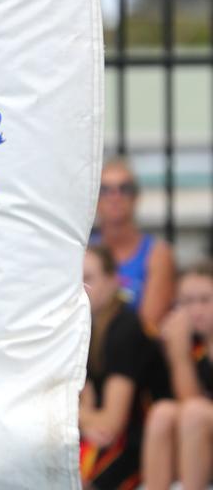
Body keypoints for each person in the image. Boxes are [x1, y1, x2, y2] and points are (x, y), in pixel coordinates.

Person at [79, 244, 160, 490]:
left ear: (113, 281)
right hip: (107, 437)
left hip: (141, 444)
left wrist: (76, 413)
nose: (80, 288)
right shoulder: (87, 325)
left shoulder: (124, 328)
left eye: (88, 278)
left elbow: (111, 424)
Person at [142, 261, 213, 490]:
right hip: (197, 427)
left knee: (194, 413)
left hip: (199, 421)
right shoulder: (192, 340)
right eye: (187, 302)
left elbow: (193, 404)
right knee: (163, 413)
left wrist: (179, 356)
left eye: (205, 300)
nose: (195, 310)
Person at [94, 158, 175, 330]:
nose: (115, 196)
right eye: (105, 190)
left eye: (125, 189)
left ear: (136, 197)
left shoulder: (157, 253)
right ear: (94, 198)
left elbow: (148, 327)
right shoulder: (83, 252)